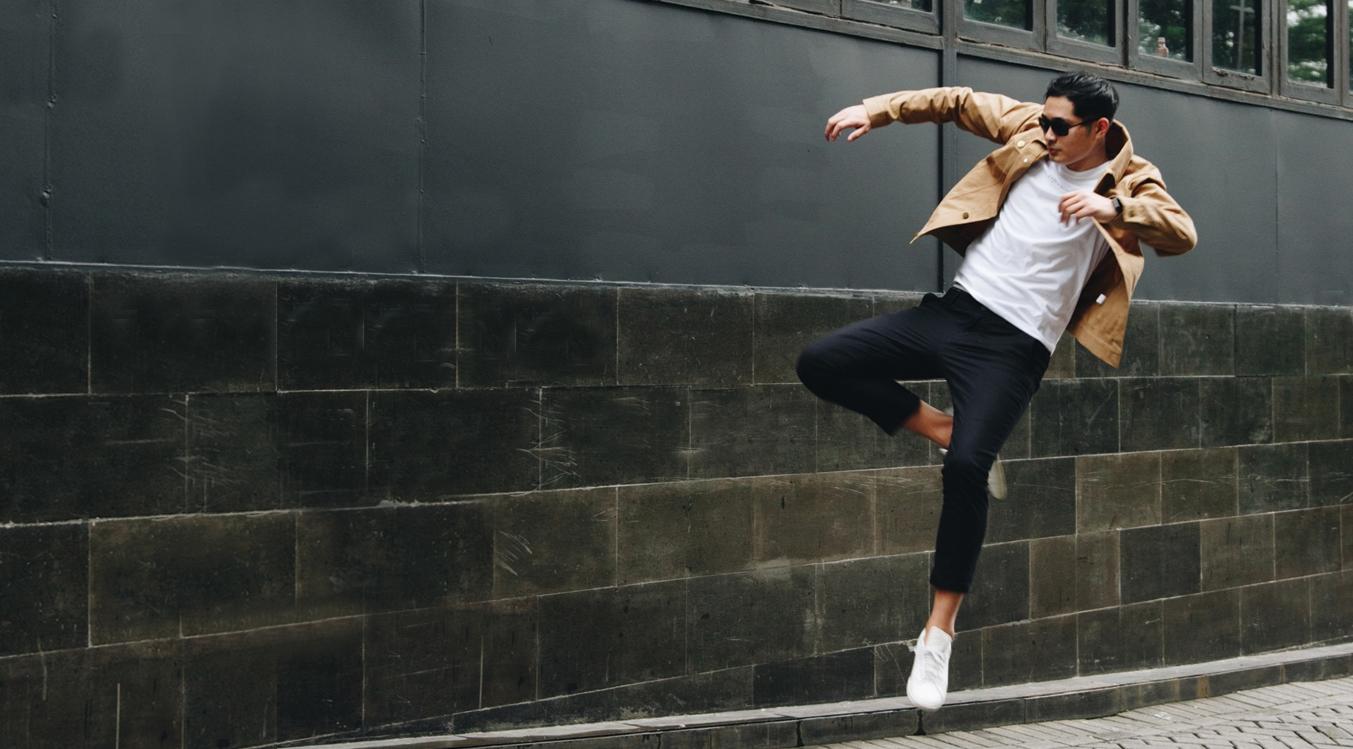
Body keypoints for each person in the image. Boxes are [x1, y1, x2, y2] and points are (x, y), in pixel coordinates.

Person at [796, 72, 1196, 711]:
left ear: (1098, 129)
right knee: (821, 362)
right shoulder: (1029, 129)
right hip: (957, 311)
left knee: (966, 471)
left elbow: (1180, 231)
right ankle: (943, 427)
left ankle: (938, 634)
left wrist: (1114, 209)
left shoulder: (1132, 178)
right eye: (1045, 120)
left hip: (1015, 348)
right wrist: (878, 109)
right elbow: (956, 102)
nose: (1047, 132)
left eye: (1060, 126)